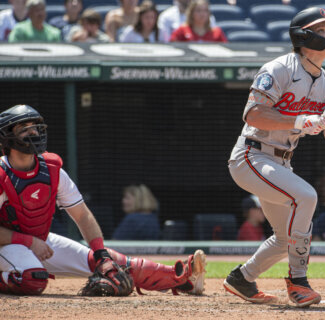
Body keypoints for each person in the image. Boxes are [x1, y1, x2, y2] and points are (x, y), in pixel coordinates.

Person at [0, 104, 206, 296]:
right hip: (7, 245)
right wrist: (28, 241)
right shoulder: (2, 174)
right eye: (23, 128)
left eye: (34, 126)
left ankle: (180, 278)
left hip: (38, 240)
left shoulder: (52, 170)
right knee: (31, 279)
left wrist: (101, 254)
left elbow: (82, 216)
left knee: (109, 266)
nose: (33, 132)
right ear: (7, 136)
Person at [223, 7, 325, 308]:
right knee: (307, 196)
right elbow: (252, 113)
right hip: (251, 155)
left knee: (283, 237)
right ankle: (298, 281)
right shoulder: (279, 69)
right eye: (322, 30)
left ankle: (242, 278)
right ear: (303, 37)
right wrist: (299, 121)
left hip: (281, 161)